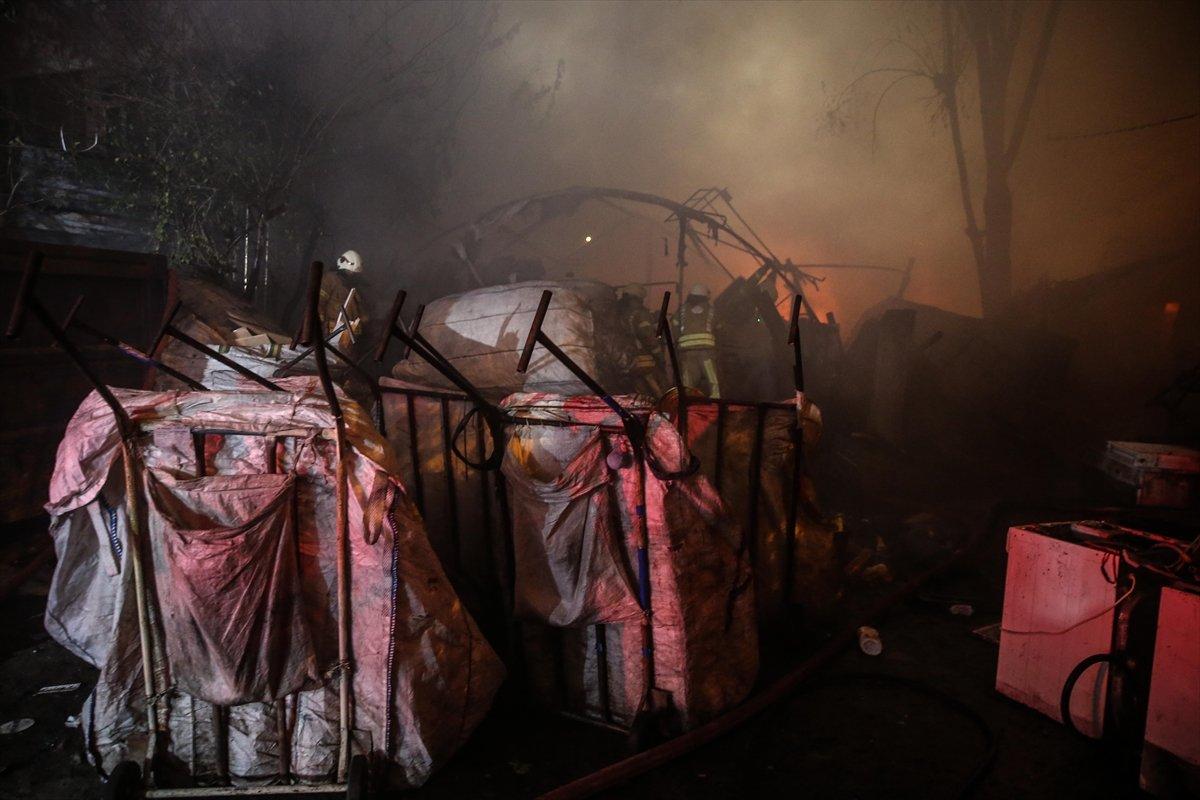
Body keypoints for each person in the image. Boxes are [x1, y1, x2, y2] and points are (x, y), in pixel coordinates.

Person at [617, 283, 662, 396]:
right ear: (638, 298)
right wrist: (659, 356)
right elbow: (647, 335)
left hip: (624, 362)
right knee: (660, 392)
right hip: (643, 359)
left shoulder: (618, 314)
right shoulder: (641, 313)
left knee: (640, 395)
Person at [677, 282, 720, 398]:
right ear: (705, 296)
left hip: (687, 353)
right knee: (714, 383)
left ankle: (688, 408)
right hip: (706, 353)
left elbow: (674, 326)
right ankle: (716, 407)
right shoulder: (711, 309)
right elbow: (719, 327)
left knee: (688, 385)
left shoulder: (681, 310)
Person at [320, 249, 367, 353]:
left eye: (354, 273)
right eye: (350, 271)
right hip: (333, 330)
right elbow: (319, 303)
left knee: (343, 362)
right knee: (331, 357)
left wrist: (364, 321)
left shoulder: (353, 287)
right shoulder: (330, 279)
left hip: (351, 334)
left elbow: (360, 311)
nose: (352, 274)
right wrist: (322, 323)